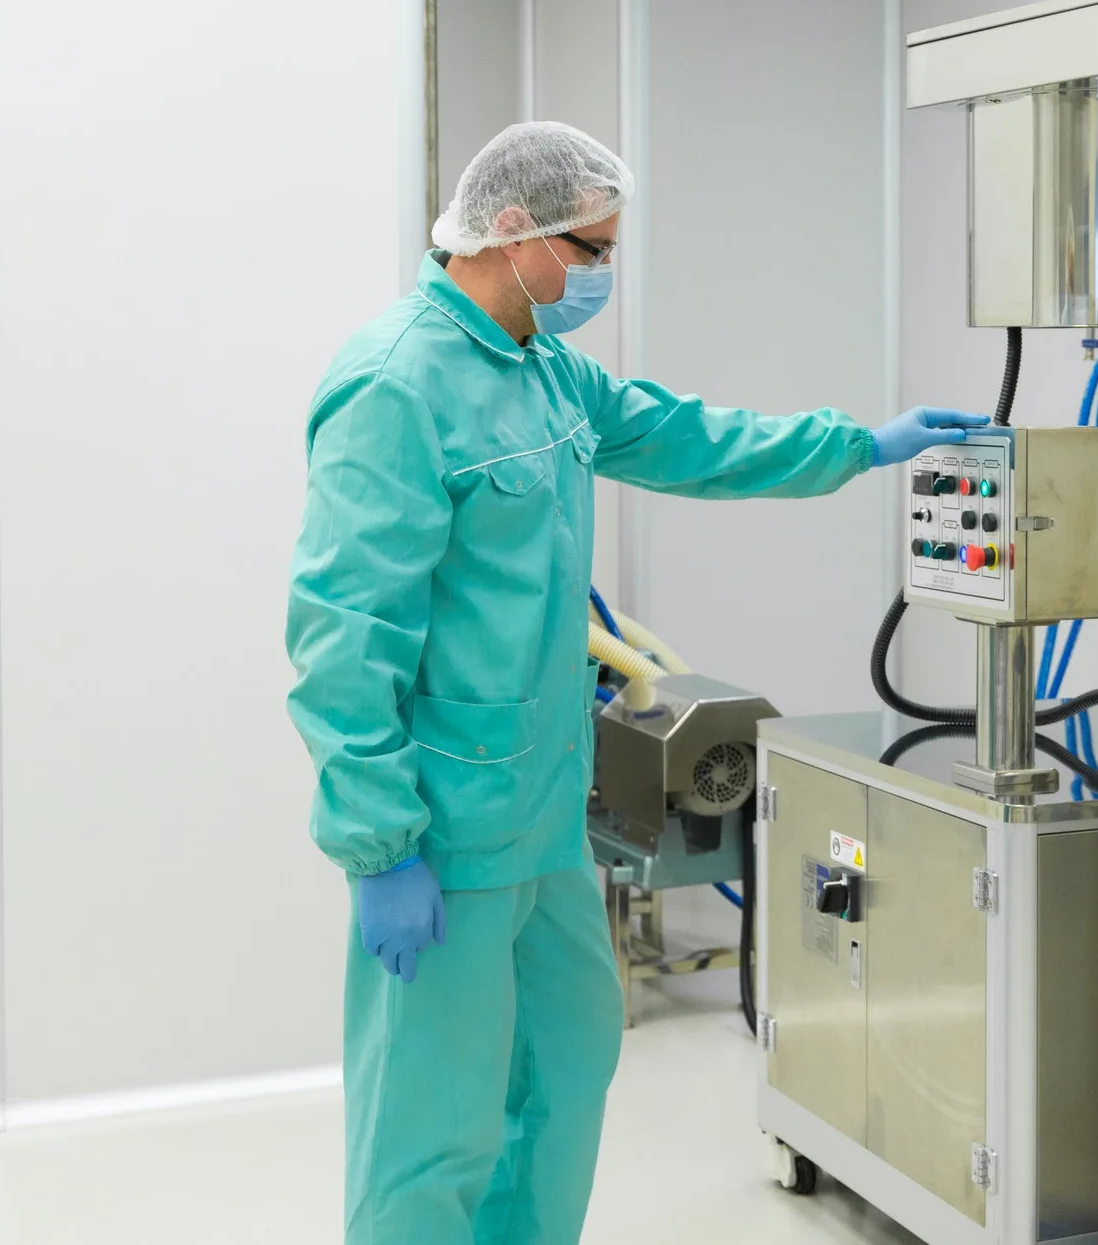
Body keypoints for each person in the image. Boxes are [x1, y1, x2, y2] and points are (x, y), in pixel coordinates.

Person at [285, 120, 985, 1245]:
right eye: (593, 251)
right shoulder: (394, 385)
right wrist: (379, 843)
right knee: (433, 1124)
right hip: (447, 832)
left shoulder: (544, 367)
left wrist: (856, 444)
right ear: (512, 232)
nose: (601, 275)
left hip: (545, 821)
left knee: (566, 1069)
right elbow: (343, 634)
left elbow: (688, 438)